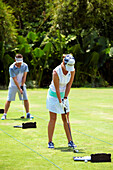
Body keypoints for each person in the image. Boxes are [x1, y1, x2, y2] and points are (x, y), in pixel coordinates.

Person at [46, 54, 76, 148]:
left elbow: (69, 85)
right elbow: (57, 88)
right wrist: (60, 102)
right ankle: (50, 142)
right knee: (53, 118)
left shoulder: (72, 70)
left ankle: (70, 141)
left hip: (64, 96)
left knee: (66, 118)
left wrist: (65, 98)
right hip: (53, 96)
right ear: (64, 63)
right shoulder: (56, 72)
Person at [1, 54, 33, 120]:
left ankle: (28, 114)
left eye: (20, 62)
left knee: (25, 99)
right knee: (9, 99)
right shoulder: (11, 68)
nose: (19, 64)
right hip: (13, 85)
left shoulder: (25, 66)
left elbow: (24, 76)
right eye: (18, 62)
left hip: (22, 84)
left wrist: (22, 86)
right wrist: (19, 88)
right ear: (15, 60)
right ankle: (4, 114)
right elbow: (15, 79)